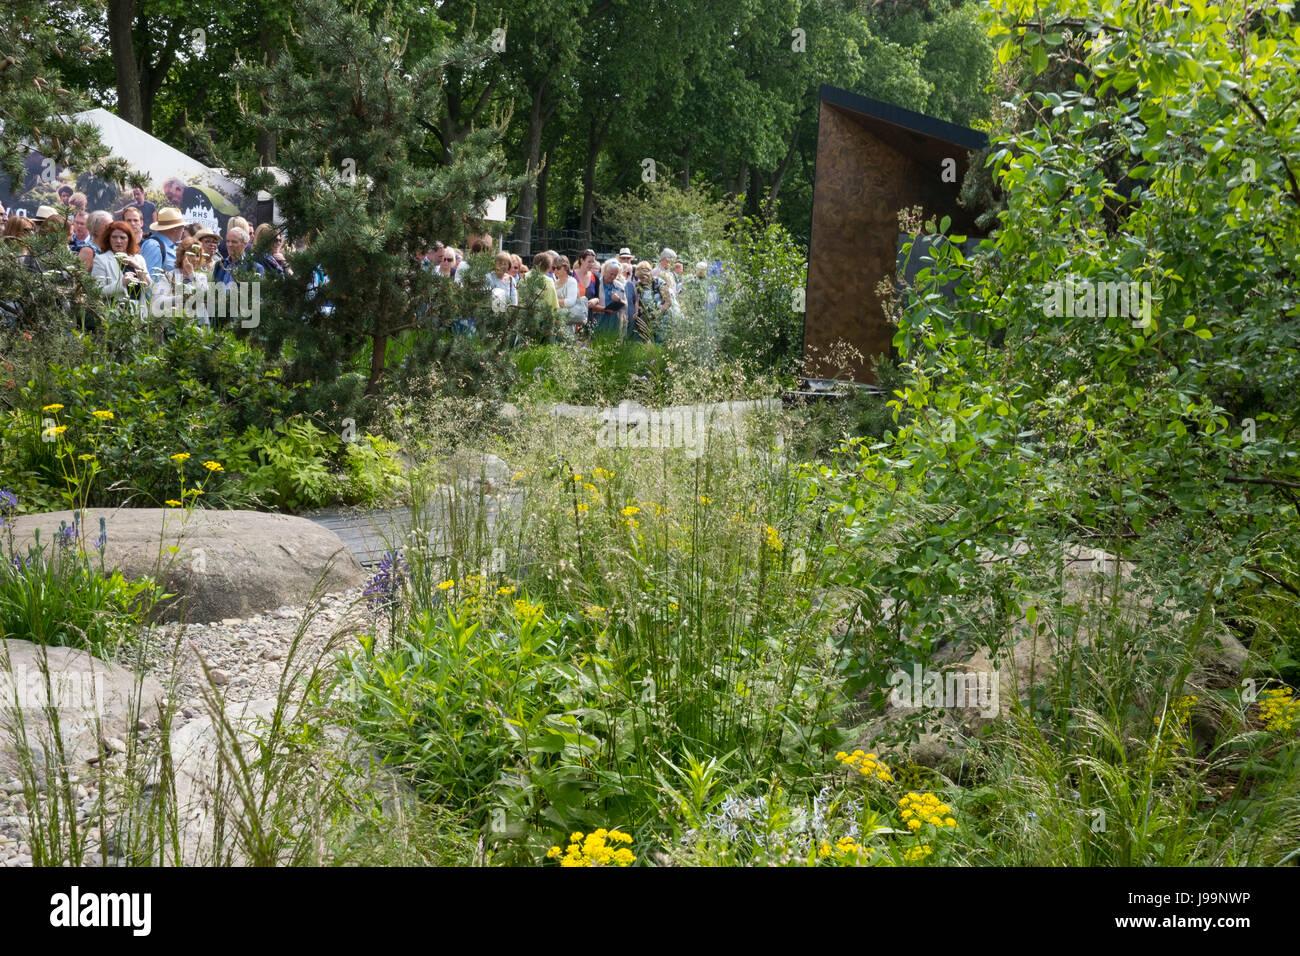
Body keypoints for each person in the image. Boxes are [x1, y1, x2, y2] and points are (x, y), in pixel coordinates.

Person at [90, 219, 152, 305]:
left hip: (140, 314)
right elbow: (97, 291)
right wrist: (121, 283)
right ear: (108, 239)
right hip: (115, 314)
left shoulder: (139, 259)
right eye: (114, 237)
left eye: (122, 238)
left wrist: (137, 267)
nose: (118, 241)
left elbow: (149, 289)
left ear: (129, 240)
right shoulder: (101, 260)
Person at [152, 240, 211, 326]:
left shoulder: (201, 277)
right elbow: (157, 301)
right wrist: (180, 298)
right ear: (181, 256)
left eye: (197, 255)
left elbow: (204, 295)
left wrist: (191, 274)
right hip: (173, 324)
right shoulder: (169, 276)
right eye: (190, 254)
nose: (194, 258)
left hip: (196, 325)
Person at [141, 207, 190, 281]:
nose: (183, 231)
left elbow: (178, 283)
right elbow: (149, 283)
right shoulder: (153, 246)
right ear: (175, 229)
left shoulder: (173, 247)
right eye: (182, 227)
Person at [588, 260, 627, 338]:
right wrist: (605, 309)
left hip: (615, 322)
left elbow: (625, 305)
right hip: (599, 319)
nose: (612, 277)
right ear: (605, 271)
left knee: (613, 345)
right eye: (611, 274)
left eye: (615, 275)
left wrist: (618, 300)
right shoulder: (596, 284)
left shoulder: (619, 286)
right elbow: (589, 304)